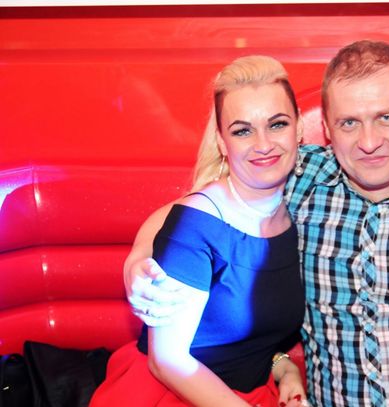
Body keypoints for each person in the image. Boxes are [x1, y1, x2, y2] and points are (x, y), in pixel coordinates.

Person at [123, 41, 389, 406]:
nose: (369, 142)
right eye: (349, 123)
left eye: (387, 117)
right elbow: (198, 211)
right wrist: (138, 261)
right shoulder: (301, 178)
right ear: (325, 127)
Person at [90, 55, 309, 407]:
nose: (264, 143)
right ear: (222, 141)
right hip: (172, 395)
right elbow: (168, 361)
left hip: (252, 394)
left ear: (299, 128)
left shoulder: (304, 204)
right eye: (242, 130)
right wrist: (138, 257)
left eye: (277, 124)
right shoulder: (199, 223)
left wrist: (283, 366)